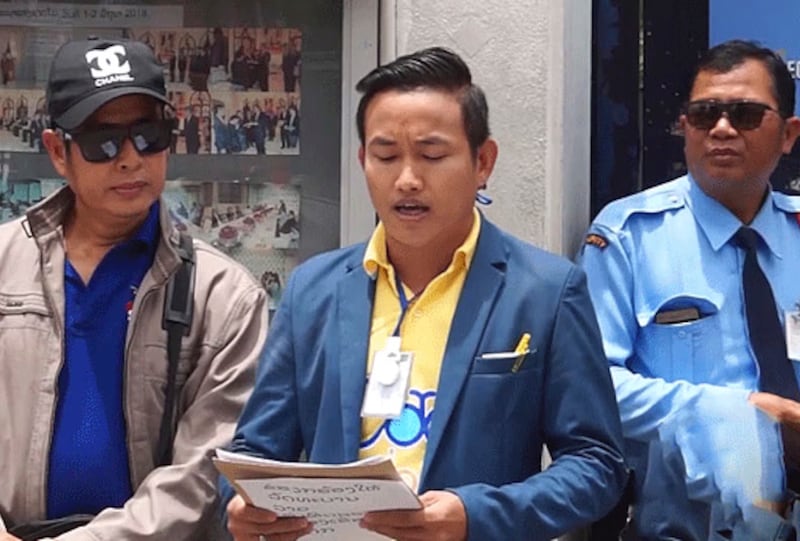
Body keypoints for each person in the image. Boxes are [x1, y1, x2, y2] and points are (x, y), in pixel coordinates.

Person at [222, 46, 626, 541]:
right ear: (362, 160)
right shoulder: (314, 289)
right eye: (386, 156)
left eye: (432, 155)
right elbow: (258, 450)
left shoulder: (545, 291)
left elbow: (597, 464)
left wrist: (474, 514)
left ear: (483, 162)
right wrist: (243, 506)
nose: (408, 179)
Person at [0, 37, 267, 540]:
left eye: (148, 135)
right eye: (103, 141)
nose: (129, 159)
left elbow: (206, 474)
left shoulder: (224, 296)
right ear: (59, 151)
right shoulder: (4, 264)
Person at [580, 39, 800, 540]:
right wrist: (735, 415)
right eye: (704, 115)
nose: (722, 129)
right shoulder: (628, 236)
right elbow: (591, 387)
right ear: (685, 128)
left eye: (744, 114)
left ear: (788, 135)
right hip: (684, 526)